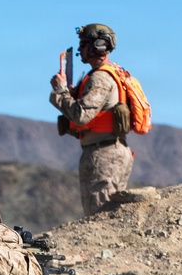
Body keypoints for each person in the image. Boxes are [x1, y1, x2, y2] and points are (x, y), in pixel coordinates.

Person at [48, 24, 135, 216]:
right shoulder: (108, 74)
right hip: (107, 151)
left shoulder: (100, 79)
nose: (80, 50)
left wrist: (61, 91)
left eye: (84, 44)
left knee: (99, 214)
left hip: (104, 154)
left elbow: (81, 115)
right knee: (106, 214)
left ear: (99, 46)